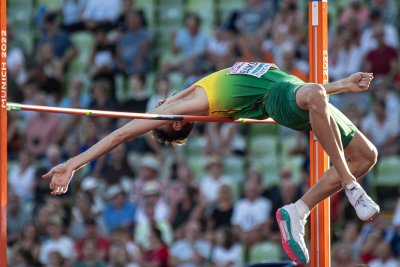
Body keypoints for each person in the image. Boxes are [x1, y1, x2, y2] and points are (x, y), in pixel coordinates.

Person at [43, 61, 379, 264]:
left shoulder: (192, 89)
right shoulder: (186, 105)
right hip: (280, 98)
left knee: (367, 155)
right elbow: (120, 134)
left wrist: (342, 85)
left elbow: (303, 90)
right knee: (315, 96)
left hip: (296, 91)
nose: (159, 106)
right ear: (176, 122)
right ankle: (350, 185)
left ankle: (299, 211)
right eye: (161, 112)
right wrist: (74, 162)